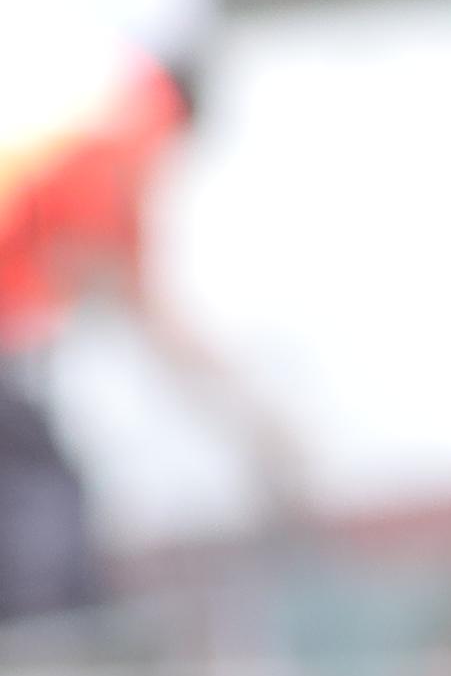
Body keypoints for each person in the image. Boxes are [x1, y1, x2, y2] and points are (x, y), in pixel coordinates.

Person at [0, 44, 284, 626]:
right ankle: (50, 648)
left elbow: (128, 296)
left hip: (16, 343)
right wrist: (249, 417)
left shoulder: (95, 136)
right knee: (43, 496)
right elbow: (128, 294)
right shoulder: (109, 153)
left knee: (43, 480)